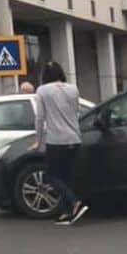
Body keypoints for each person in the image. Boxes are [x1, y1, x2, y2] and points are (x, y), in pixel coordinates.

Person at [31, 62, 88, 225]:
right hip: (75, 138)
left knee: (52, 176)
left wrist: (38, 140)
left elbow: (40, 117)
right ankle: (67, 213)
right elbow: (75, 111)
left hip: (56, 140)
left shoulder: (42, 91)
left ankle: (75, 201)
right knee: (67, 177)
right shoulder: (73, 89)